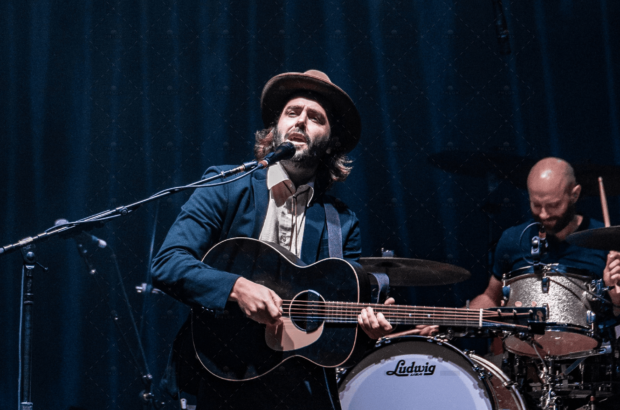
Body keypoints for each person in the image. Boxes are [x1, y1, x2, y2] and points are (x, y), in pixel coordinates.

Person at [151, 70, 393, 409]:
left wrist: (367, 331)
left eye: (315, 118)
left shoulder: (341, 221)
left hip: (298, 387)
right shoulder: (224, 185)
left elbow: (337, 323)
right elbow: (167, 263)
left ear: (331, 141)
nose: (300, 122)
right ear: (275, 129)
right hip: (222, 376)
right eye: (292, 113)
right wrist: (237, 287)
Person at [416, 157, 620, 336]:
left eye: (553, 205)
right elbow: (491, 298)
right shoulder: (513, 239)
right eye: (535, 204)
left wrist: (616, 298)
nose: (543, 214)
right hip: (529, 357)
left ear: (574, 195)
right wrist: (452, 318)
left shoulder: (607, 241)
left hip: (593, 362)